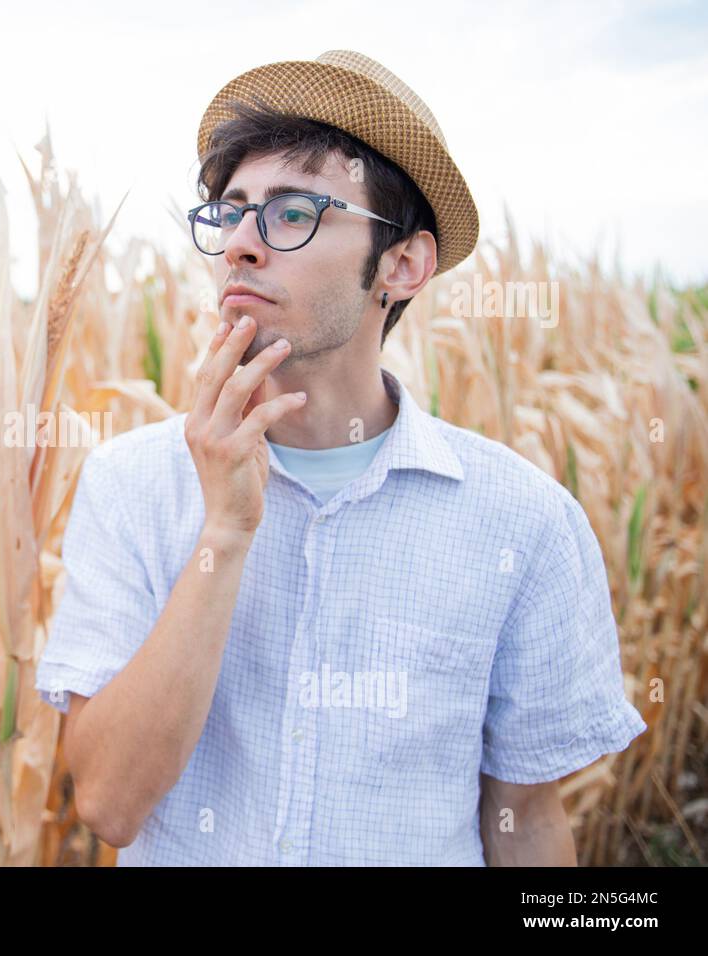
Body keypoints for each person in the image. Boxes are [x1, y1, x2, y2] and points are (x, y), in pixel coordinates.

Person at [34, 50, 646, 865]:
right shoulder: (130, 486)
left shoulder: (521, 521)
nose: (242, 244)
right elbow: (108, 803)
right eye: (231, 212)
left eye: (292, 213)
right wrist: (223, 532)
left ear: (402, 265)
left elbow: (527, 821)